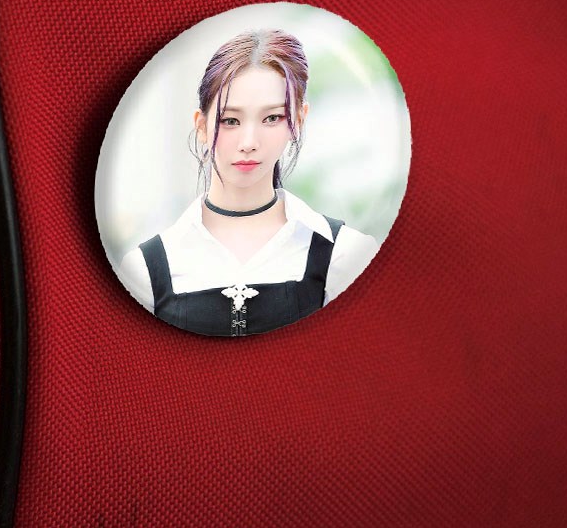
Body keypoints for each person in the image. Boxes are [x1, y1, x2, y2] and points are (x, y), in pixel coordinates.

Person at [117, 28, 379, 337]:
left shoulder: (346, 254)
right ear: (201, 126)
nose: (249, 142)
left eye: (272, 118)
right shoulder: (144, 269)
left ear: (298, 120)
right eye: (230, 120)